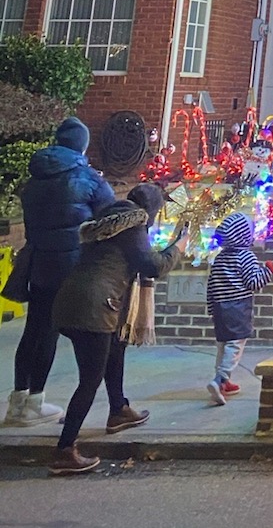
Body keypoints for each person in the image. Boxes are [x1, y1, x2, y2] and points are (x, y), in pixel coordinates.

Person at [47, 182, 184, 476]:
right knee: (89, 380)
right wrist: (178, 247)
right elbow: (152, 266)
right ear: (150, 210)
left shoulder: (107, 224)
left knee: (115, 347)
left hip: (73, 299)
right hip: (93, 307)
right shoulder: (133, 226)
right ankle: (64, 450)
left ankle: (119, 409)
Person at [5, 117, 114, 428]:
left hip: (38, 263)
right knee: (57, 335)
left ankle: (18, 402)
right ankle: (35, 403)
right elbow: (108, 218)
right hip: (72, 268)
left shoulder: (36, 177)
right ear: (82, 145)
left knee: (34, 331)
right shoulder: (87, 178)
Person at [204, 211, 273, 405]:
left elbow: (211, 285)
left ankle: (223, 380)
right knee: (235, 345)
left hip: (219, 308)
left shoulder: (219, 258)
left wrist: (211, 308)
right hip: (238, 307)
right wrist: (268, 270)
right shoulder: (246, 257)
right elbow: (254, 283)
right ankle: (220, 380)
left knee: (223, 344)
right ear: (244, 235)